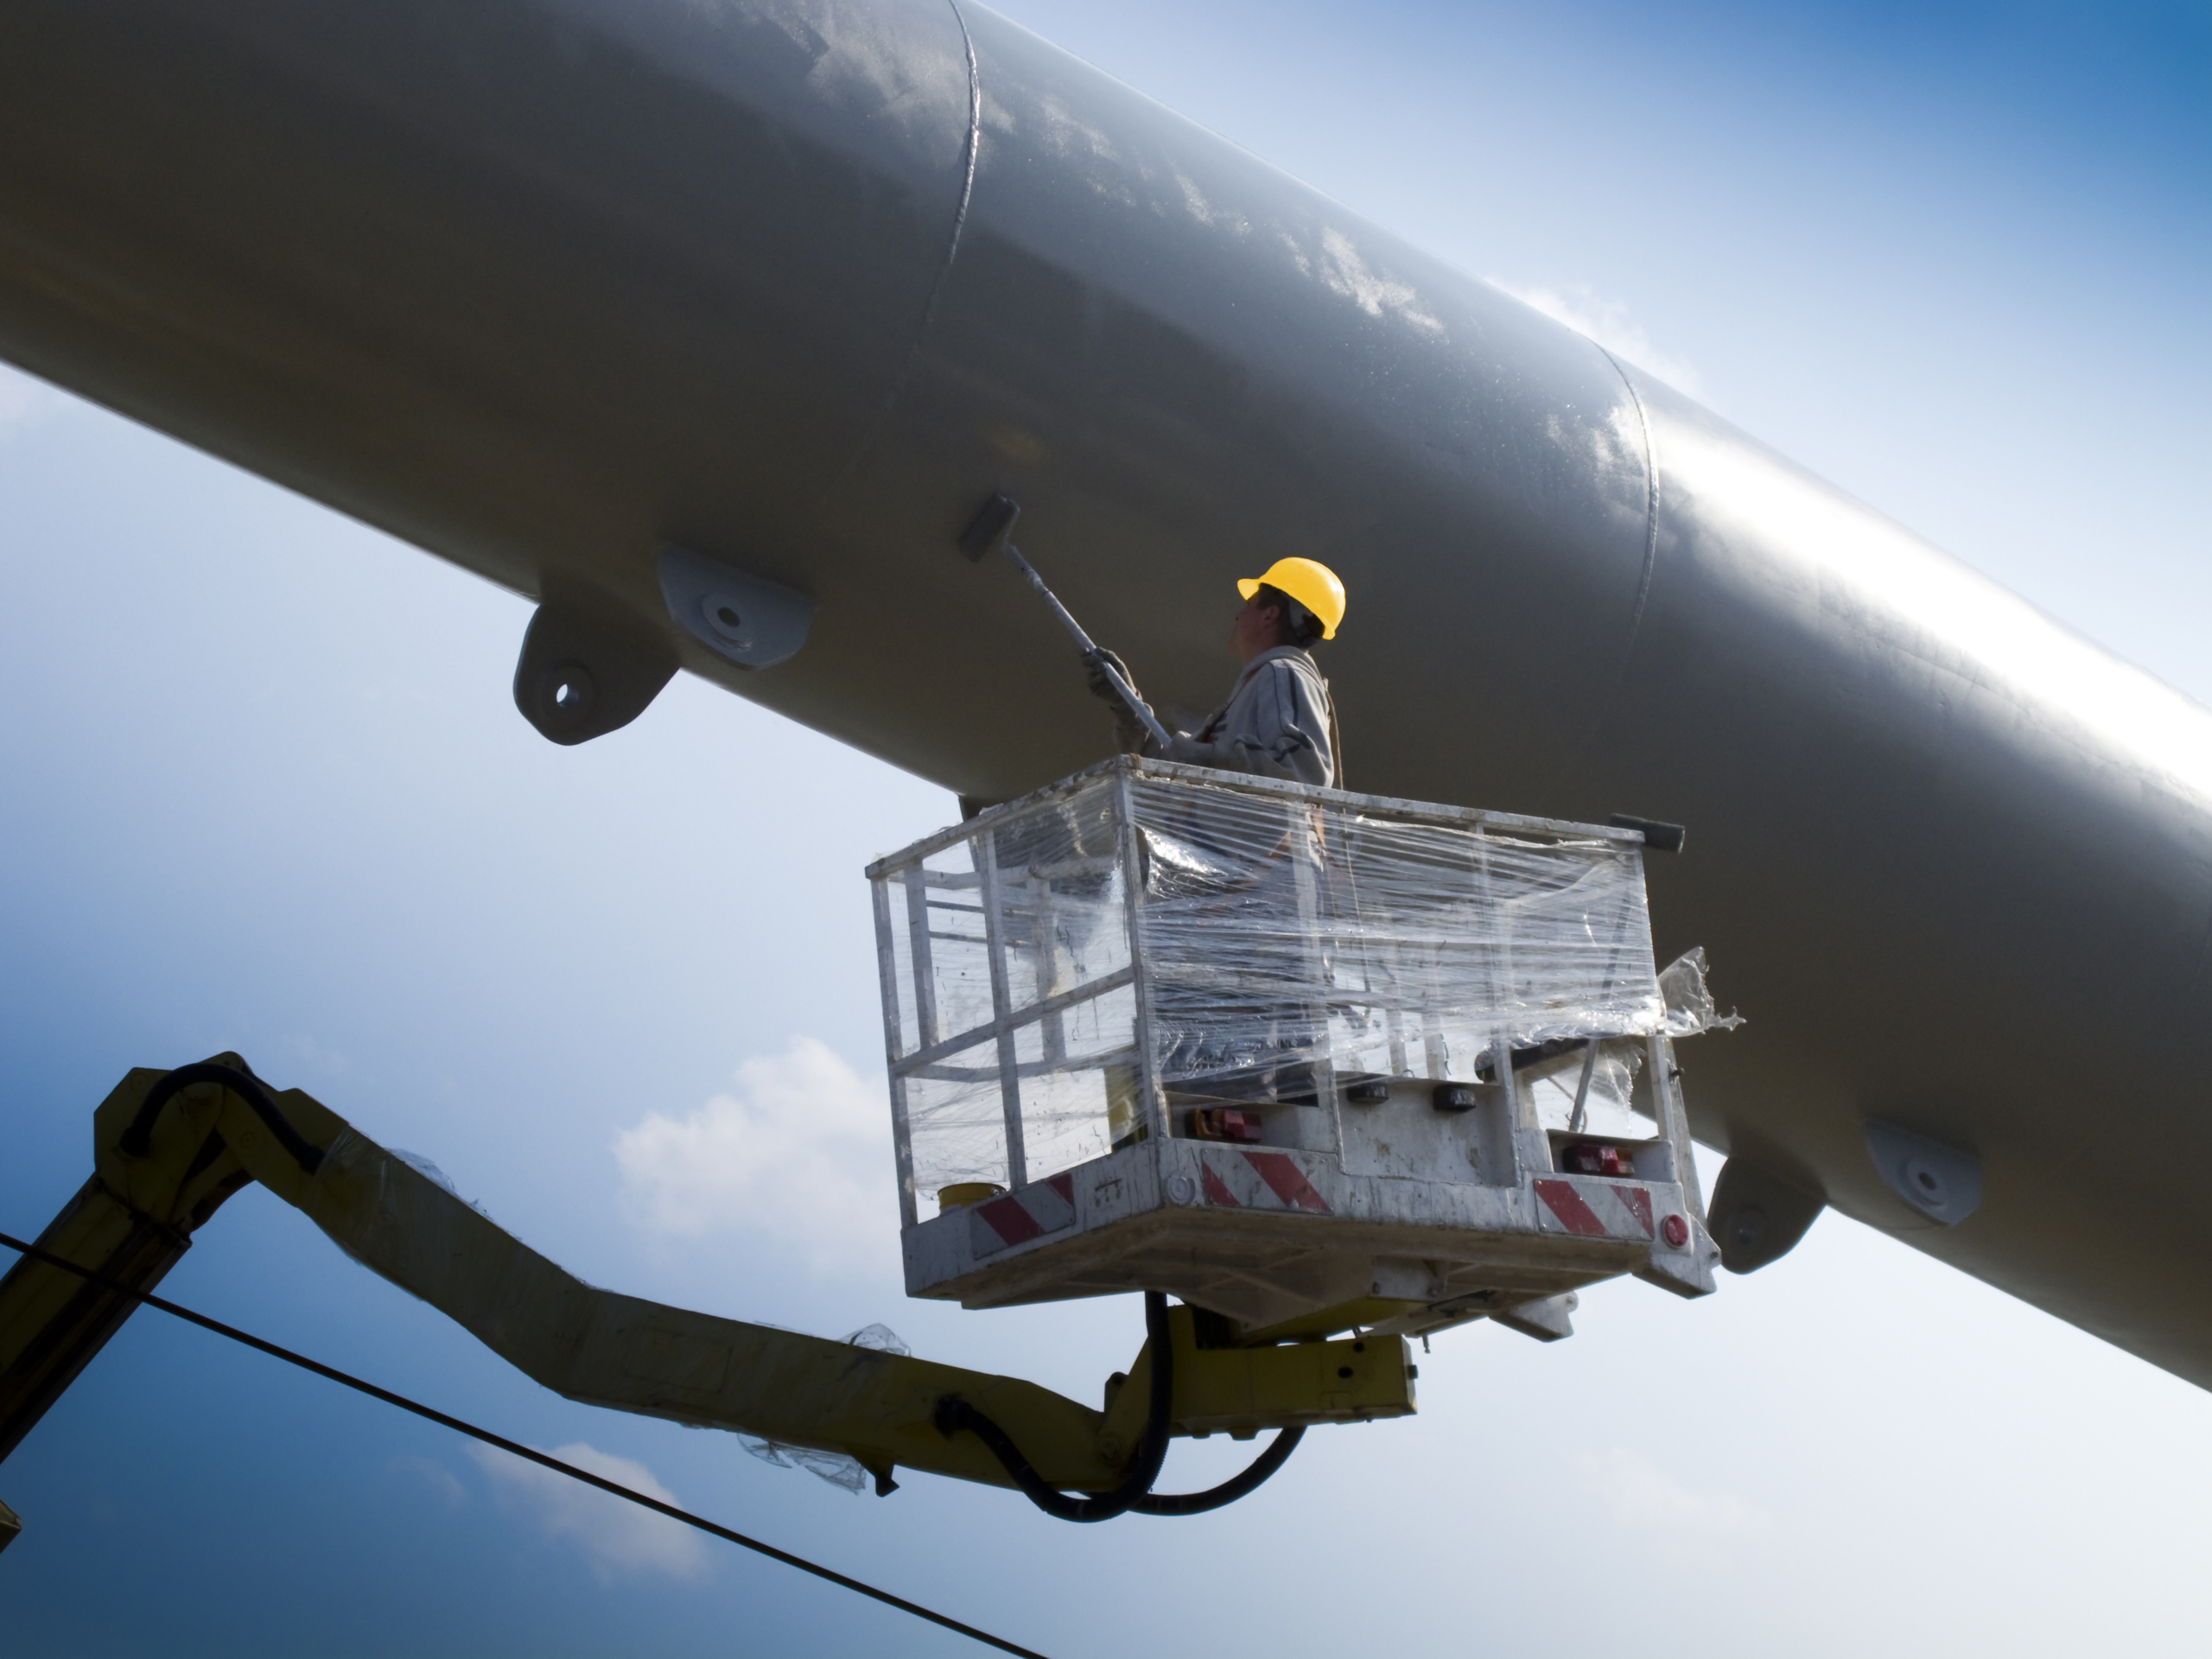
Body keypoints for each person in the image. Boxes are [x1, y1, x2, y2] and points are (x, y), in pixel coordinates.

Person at [1088, 557, 1346, 787]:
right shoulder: (1259, 686)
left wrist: (1206, 759)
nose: (1238, 615)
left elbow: (1305, 773)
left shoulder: (1283, 672)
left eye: (1250, 603)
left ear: (1269, 615)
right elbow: (1166, 765)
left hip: (1252, 845)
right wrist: (1127, 706)